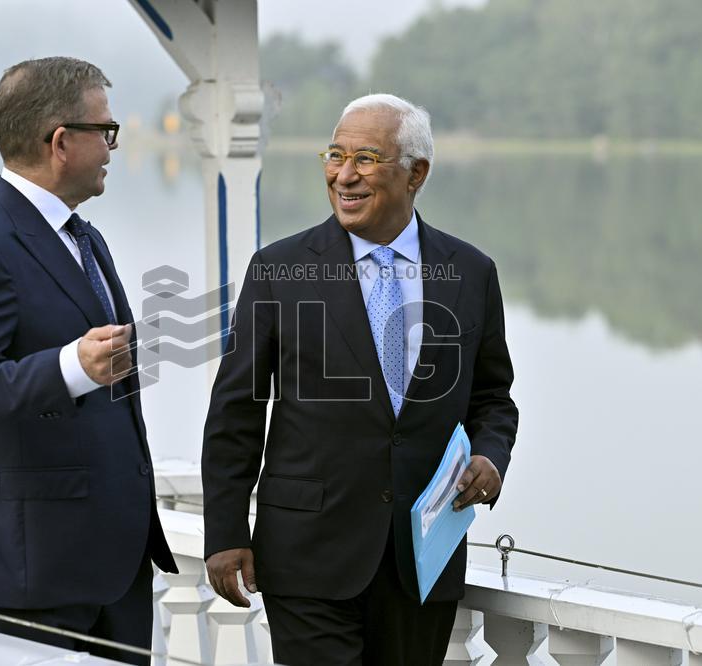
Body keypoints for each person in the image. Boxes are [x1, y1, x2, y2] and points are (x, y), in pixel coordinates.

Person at [201, 93, 518, 665]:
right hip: (306, 558)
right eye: (335, 156)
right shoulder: (278, 270)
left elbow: (493, 397)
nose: (343, 176)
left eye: (366, 159)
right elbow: (236, 412)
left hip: (421, 562)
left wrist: (491, 458)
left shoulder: (472, 272)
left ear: (416, 173)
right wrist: (224, 530)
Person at [0, 56, 176, 664]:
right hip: (28, 575)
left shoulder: (84, 236)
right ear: (61, 141)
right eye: (106, 131)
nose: (114, 146)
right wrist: (70, 367)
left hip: (112, 569)